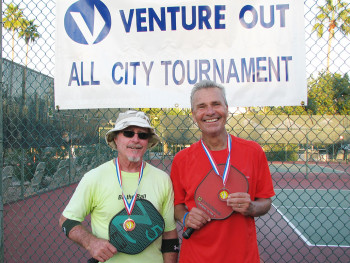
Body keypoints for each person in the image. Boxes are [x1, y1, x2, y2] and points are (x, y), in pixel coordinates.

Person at [170, 80, 275, 263]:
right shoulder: (182, 159)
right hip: (196, 257)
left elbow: (265, 202)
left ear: (226, 108)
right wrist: (186, 216)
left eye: (216, 104)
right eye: (201, 107)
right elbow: (176, 207)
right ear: (194, 115)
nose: (210, 112)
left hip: (243, 257)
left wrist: (251, 207)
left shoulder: (253, 151)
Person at [59, 110, 179, 263]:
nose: (136, 139)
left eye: (142, 135)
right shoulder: (94, 177)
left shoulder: (162, 179)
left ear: (147, 142)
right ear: (115, 139)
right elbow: (67, 219)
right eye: (128, 133)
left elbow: (169, 234)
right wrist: (91, 242)